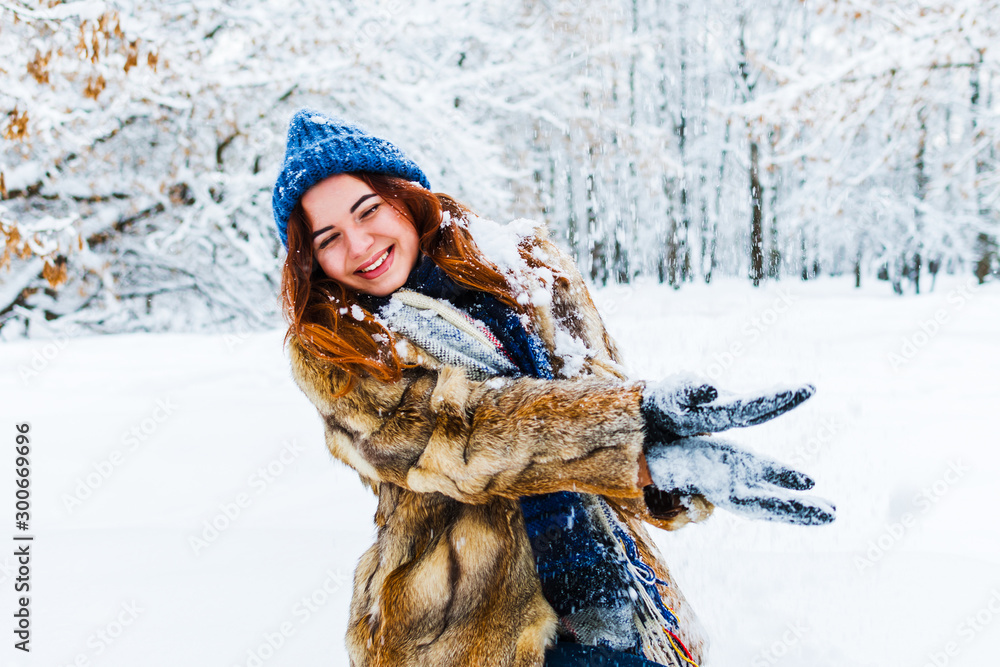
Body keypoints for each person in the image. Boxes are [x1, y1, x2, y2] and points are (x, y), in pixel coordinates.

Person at [272, 109, 835, 667]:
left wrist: (668, 462)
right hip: (462, 632)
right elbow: (468, 435)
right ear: (311, 259)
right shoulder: (340, 349)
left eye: (368, 209)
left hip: (609, 597)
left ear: (406, 196)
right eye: (328, 238)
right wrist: (637, 432)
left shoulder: (526, 269)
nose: (359, 243)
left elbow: (593, 393)